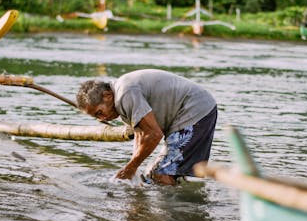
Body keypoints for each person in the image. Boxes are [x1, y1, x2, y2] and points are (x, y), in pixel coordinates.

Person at [76, 69, 217, 185]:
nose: (102, 119)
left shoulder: (125, 93)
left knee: (160, 174)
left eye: (99, 113)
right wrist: (133, 169)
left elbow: (154, 135)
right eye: (97, 117)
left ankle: (176, 214)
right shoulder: (120, 98)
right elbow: (140, 134)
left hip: (196, 110)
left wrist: (130, 168)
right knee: (150, 175)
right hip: (189, 112)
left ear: (107, 96)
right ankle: (178, 199)